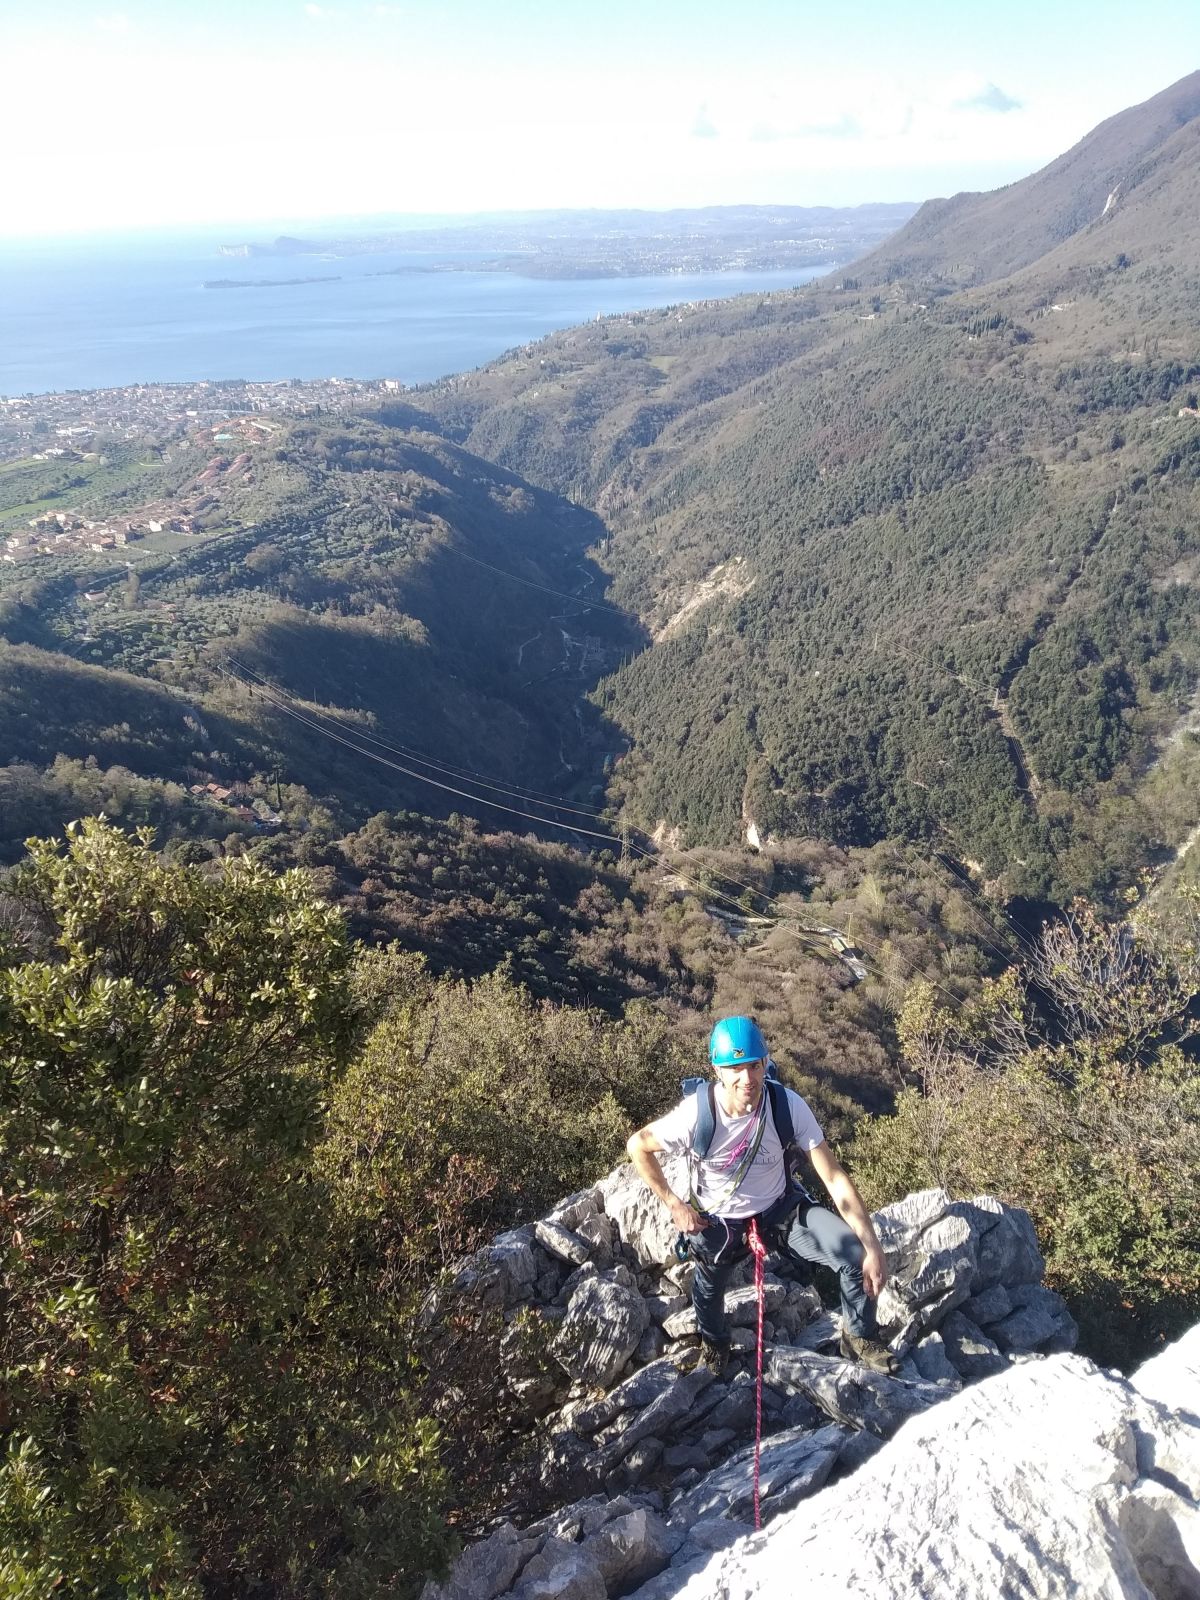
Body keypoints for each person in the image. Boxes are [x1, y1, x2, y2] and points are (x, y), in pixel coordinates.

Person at [626, 1014, 896, 1375]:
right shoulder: (696, 1115)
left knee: (854, 1255)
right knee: (708, 1290)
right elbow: (637, 1146)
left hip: (780, 1209)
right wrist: (674, 1203)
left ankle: (858, 1337)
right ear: (717, 1070)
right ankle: (715, 1343)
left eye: (753, 1065)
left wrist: (873, 1246)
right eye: (734, 1068)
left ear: (766, 1063)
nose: (746, 1078)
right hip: (721, 1220)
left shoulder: (786, 1105)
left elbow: (833, 1177)